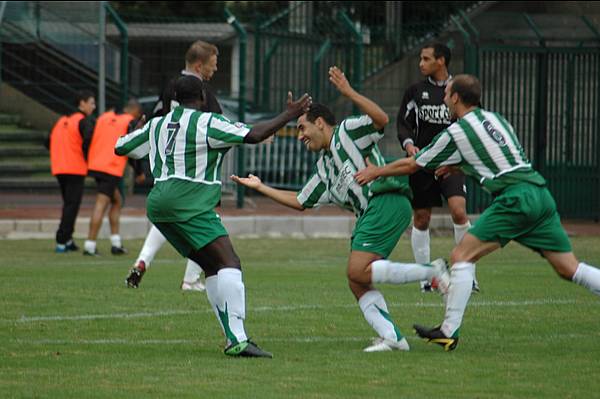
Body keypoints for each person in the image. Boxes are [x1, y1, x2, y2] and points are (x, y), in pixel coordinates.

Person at [354, 74, 600, 351]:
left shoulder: (457, 131)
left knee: (461, 255)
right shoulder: (497, 119)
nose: (444, 98)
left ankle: (448, 331)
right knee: (570, 268)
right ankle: (447, 330)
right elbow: (498, 158)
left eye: (447, 93)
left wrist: (376, 170)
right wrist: (457, 166)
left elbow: (414, 164)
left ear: (456, 97)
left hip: (514, 199)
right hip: (540, 194)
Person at [231, 67, 448, 353]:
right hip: (371, 214)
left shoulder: (347, 131)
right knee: (356, 280)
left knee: (357, 269)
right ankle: (393, 337)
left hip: (384, 202)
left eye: (302, 128)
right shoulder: (323, 168)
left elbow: (381, 120)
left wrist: (348, 93)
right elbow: (300, 201)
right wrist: (260, 187)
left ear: (320, 123)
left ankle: (432, 271)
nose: (300, 136)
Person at [115, 75, 312, 358]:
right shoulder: (206, 122)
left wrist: (137, 129)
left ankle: (234, 337)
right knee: (230, 262)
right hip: (189, 200)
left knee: (212, 267)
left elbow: (121, 148)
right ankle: (239, 340)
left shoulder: (158, 123)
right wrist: (290, 114)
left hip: (158, 203)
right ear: (204, 98)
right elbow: (254, 134)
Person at [127, 40, 221, 290]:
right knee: (205, 220)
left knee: (169, 217)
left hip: (168, 169)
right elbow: (217, 124)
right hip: (194, 171)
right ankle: (190, 279)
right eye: (213, 65)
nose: (216, 70)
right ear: (199, 66)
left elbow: (155, 120)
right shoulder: (199, 92)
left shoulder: (171, 88)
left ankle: (142, 261)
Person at [397, 43, 479, 292]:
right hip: (423, 163)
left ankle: (467, 275)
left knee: (459, 211)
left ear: (441, 61)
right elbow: (403, 123)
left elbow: (472, 120)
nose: (420, 63)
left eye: (426, 59)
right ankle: (426, 278)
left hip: (452, 163)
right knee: (421, 218)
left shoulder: (459, 90)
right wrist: (409, 145)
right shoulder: (415, 91)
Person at [82, 100, 144, 256]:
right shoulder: (129, 122)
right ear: (135, 111)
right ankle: (90, 245)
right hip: (111, 167)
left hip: (96, 164)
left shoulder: (104, 117)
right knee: (101, 204)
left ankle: (116, 243)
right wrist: (139, 172)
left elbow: (88, 139)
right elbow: (132, 147)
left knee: (117, 201)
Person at [48, 90, 96, 253]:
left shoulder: (62, 121)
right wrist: (86, 156)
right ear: (81, 103)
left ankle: (67, 238)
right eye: (91, 102)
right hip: (75, 168)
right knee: (71, 205)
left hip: (59, 168)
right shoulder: (83, 121)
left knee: (69, 204)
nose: (93, 107)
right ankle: (62, 239)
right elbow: (89, 139)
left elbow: (48, 141)